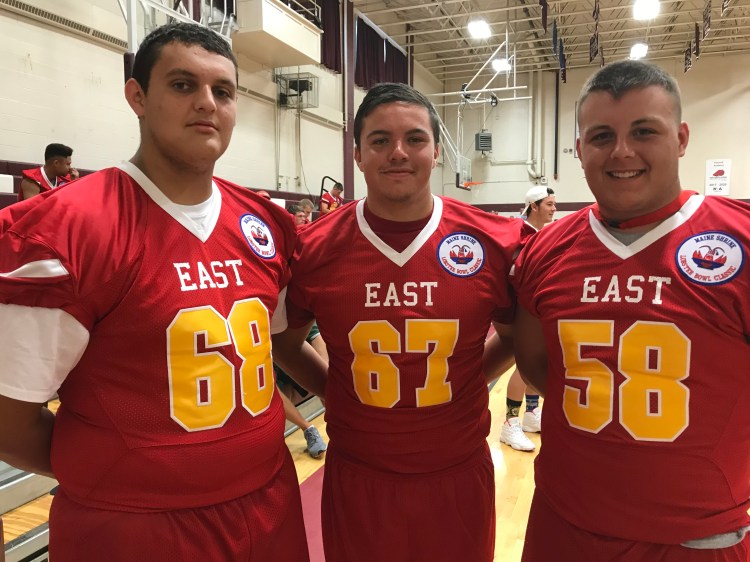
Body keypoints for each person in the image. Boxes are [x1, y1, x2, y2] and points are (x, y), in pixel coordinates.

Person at [0, 23, 310, 562]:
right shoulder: (67, 228)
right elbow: (9, 421)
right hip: (134, 528)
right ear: (137, 96)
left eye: (223, 91)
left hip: (270, 505)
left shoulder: (265, 223)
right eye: (183, 85)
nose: (207, 104)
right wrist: (121, 467)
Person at [272, 82, 525, 562]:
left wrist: (469, 381)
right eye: (380, 140)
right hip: (359, 472)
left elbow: (514, 339)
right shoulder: (314, 248)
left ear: (435, 152)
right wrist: (337, 391)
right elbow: (284, 344)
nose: (398, 153)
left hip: (457, 469)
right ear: (358, 155)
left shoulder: (492, 240)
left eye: (414, 139)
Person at [513, 60, 749, 561]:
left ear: (681, 137)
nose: (622, 151)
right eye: (601, 136)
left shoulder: (741, 241)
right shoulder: (546, 249)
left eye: (644, 131)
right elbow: (535, 362)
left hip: (696, 537)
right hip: (565, 520)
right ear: (578, 149)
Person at [499, 186, 555, 452]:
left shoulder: (545, 235)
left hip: (538, 308)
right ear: (534, 206)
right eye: (550, 204)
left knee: (538, 362)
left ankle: (532, 414)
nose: (554, 209)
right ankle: (510, 423)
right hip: (520, 310)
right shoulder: (518, 234)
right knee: (523, 367)